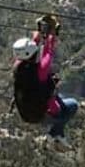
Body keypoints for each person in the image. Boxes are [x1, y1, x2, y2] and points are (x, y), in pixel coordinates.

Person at [11, 14, 79, 147]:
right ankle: (55, 133)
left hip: (25, 111)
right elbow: (48, 51)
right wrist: (52, 34)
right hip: (40, 113)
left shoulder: (18, 67)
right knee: (72, 106)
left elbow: (31, 48)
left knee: (62, 97)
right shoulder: (41, 70)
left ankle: (58, 134)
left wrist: (38, 34)